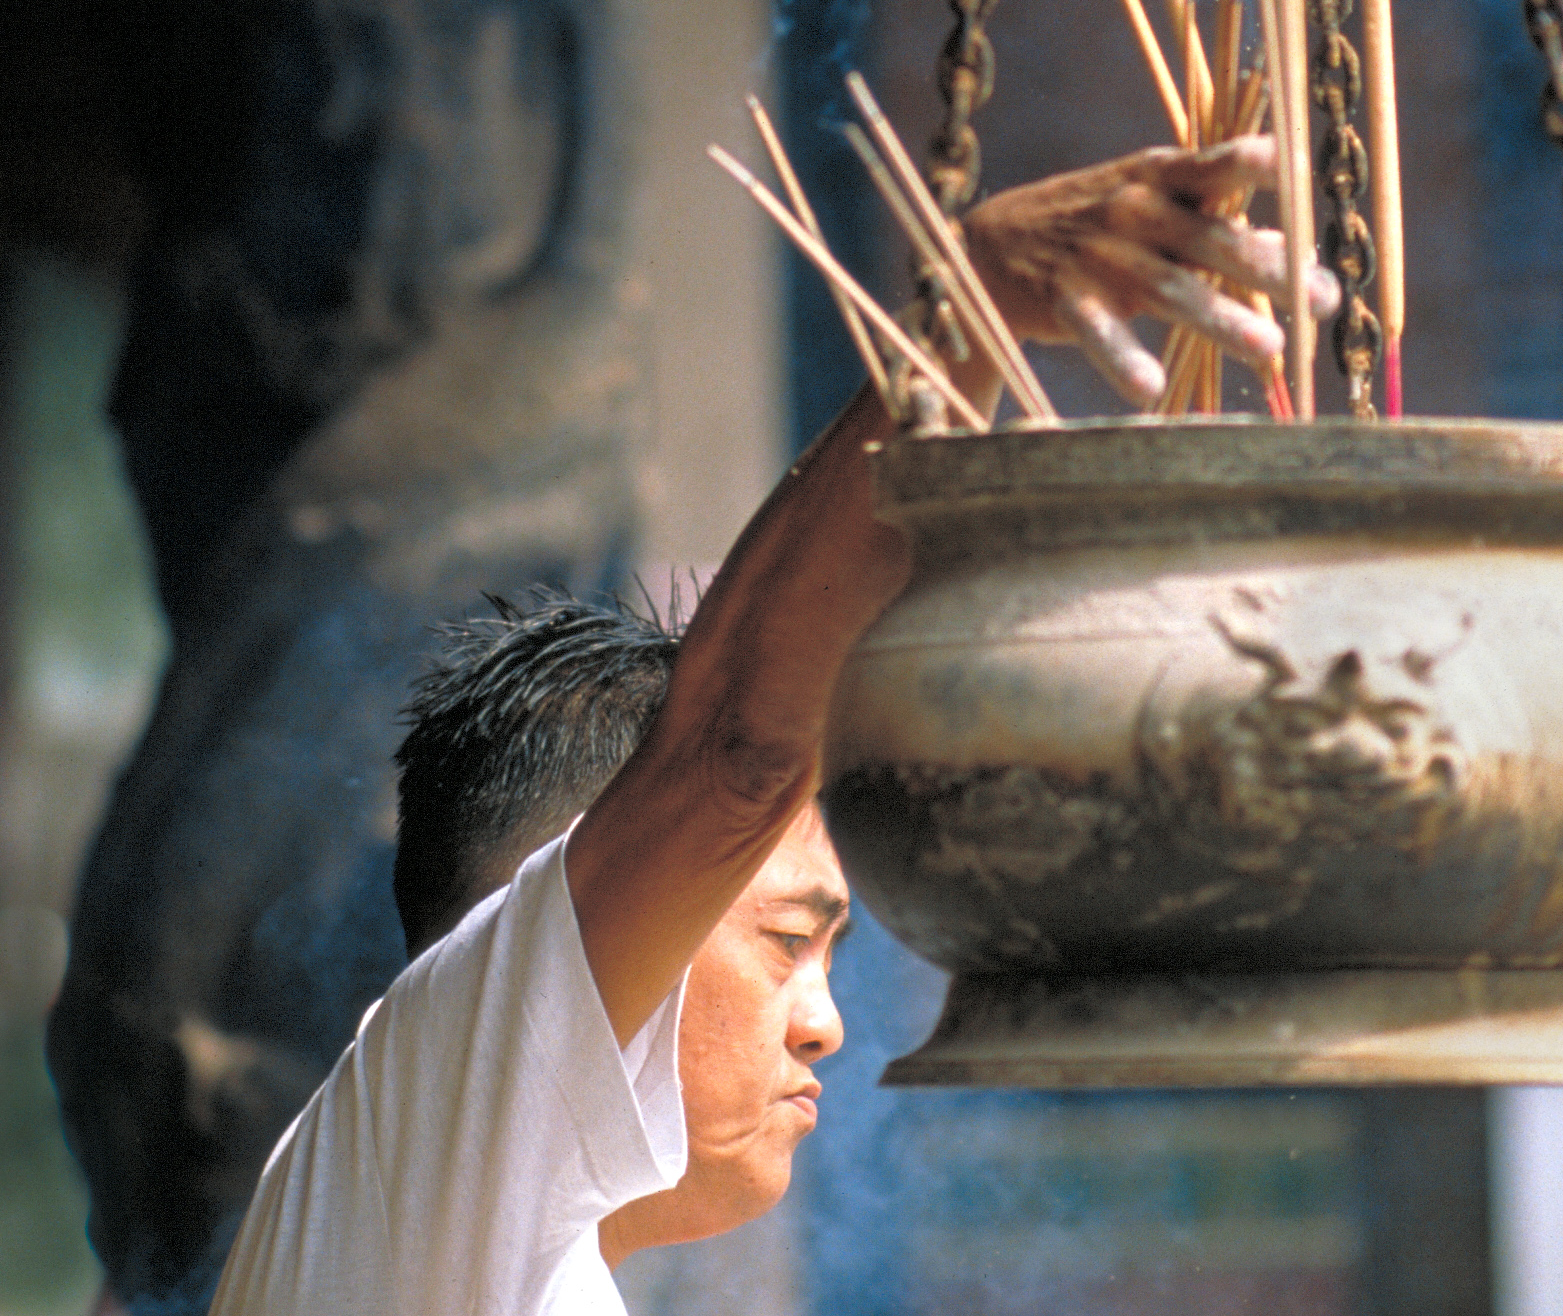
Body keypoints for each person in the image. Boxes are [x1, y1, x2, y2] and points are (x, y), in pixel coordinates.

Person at [206, 139, 1338, 1313]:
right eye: (787, 940)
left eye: (826, 955)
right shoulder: (435, 1123)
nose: (826, 1028)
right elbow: (732, 758)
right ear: (554, 915)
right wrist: (972, 302)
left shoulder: (499, 1249)